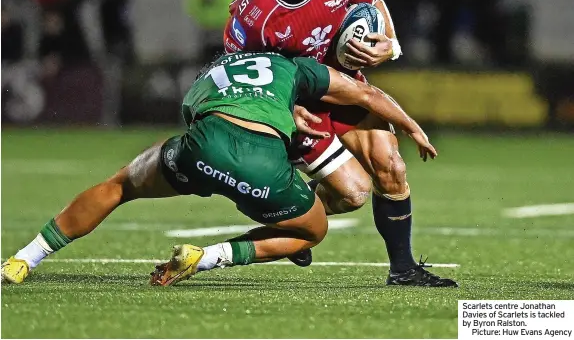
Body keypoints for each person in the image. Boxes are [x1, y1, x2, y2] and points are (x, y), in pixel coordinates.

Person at [1, 51, 438, 286]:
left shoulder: (208, 76)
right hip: (263, 164)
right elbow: (364, 95)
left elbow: (193, 115)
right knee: (312, 231)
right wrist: (412, 127)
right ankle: (206, 258)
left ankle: (23, 260)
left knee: (119, 185)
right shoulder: (294, 67)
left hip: (202, 147)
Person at [223, 0, 457, 286]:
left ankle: (403, 270)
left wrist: (390, 45)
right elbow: (236, 74)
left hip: (342, 85)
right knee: (353, 194)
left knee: (391, 167)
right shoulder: (255, 11)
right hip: (294, 103)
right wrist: (281, 111)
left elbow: (373, 1)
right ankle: (293, 222)